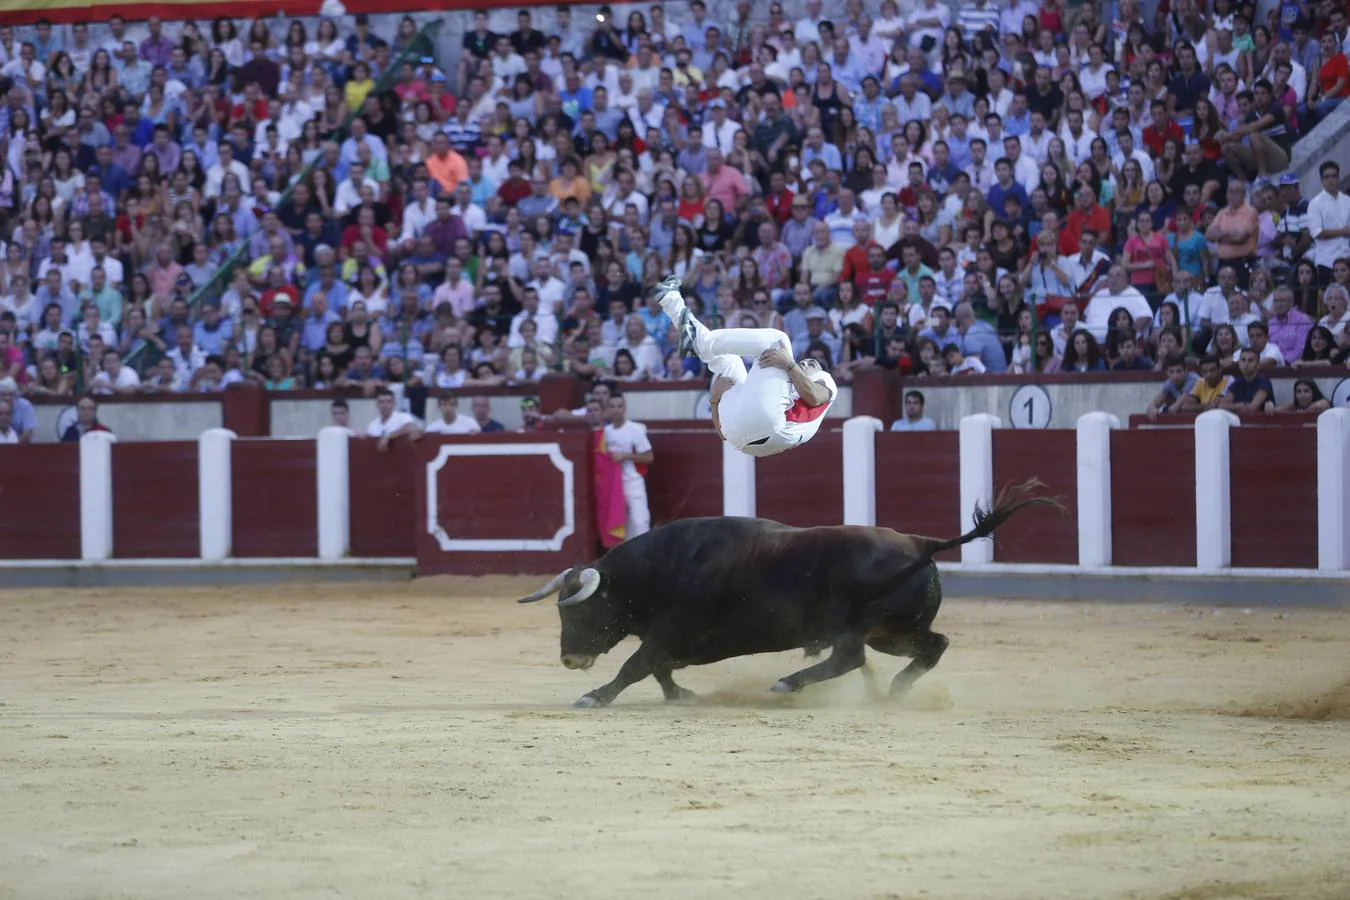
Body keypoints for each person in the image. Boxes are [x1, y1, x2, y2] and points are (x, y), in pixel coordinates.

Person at [658, 276, 837, 457]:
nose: (804, 363)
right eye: (803, 362)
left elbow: (814, 397)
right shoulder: (786, 385)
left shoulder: (826, 381)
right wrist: (714, 401)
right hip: (743, 440)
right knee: (730, 362)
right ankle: (670, 301)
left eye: (811, 363)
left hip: (773, 426)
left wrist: (790, 364)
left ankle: (700, 341)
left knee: (778, 341)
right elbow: (725, 436)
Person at [603, 392, 653, 540]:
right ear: (608, 409)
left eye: (619, 406)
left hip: (633, 482)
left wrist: (626, 456)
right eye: (612, 406)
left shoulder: (635, 430)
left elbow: (649, 457)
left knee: (640, 522)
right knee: (620, 524)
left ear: (625, 408)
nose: (616, 409)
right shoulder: (606, 432)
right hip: (613, 485)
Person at [364, 386, 420, 451]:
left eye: (388, 402)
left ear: (394, 403)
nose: (385, 405)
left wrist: (388, 437)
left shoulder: (402, 417)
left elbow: (412, 428)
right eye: (381, 402)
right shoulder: (372, 425)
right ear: (377, 404)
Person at [1147, 356, 1200, 420]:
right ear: (1167, 372)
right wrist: (1152, 411)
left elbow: (1177, 405)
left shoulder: (1193, 379)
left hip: (1201, 410)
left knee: (1186, 403)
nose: (1175, 376)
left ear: (1186, 370)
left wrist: (1162, 410)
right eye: (1171, 372)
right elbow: (1152, 404)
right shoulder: (1169, 383)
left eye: (1179, 371)